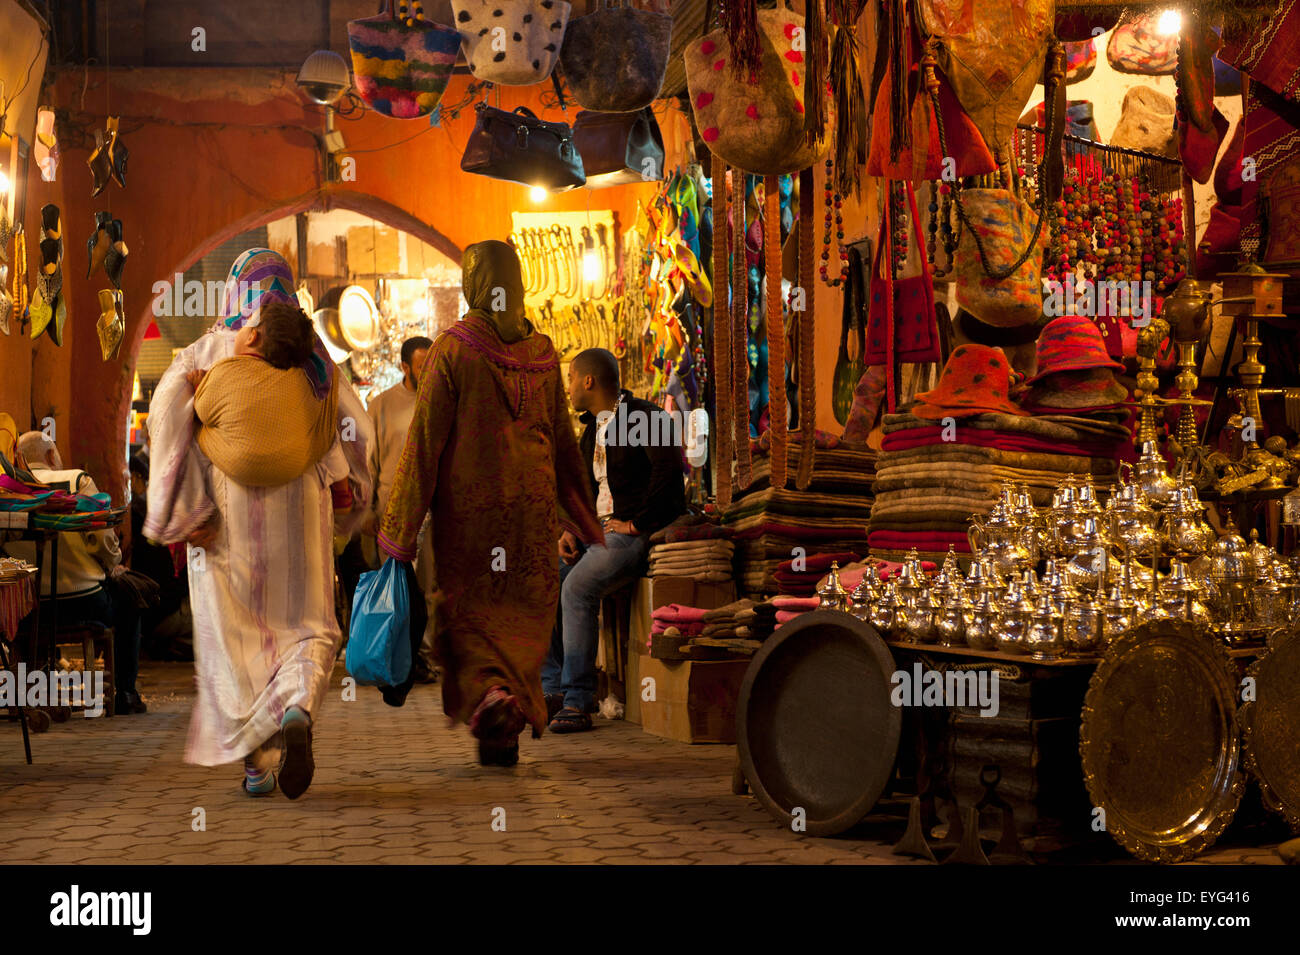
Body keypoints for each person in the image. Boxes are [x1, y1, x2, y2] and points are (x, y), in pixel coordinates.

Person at [145, 248, 372, 799]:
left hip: (226, 522)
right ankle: (296, 706)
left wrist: (181, 511)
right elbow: (356, 433)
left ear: (233, 291)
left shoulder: (205, 350)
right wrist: (350, 496)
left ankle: (256, 763)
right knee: (308, 627)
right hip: (302, 510)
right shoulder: (314, 355)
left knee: (235, 643)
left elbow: (167, 423)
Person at [379, 239, 602, 767]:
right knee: (521, 617)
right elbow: (564, 444)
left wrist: (399, 534)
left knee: (471, 616)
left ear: (474, 284)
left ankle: (492, 701)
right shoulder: (545, 355)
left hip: (472, 517)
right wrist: (578, 513)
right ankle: (504, 723)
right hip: (530, 519)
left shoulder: (453, 350)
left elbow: (424, 444)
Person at [543, 348, 687, 733]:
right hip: (597, 536)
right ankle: (551, 690)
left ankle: (577, 700)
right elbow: (583, 492)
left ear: (589, 380)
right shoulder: (592, 429)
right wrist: (571, 530)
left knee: (576, 589)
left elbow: (671, 475)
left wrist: (636, 524)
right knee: (541, 577)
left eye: (571, 378)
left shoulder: (646, 416)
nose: (568, 387)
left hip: (628, 539)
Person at [3, 431, 146, 714]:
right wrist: (112, 564)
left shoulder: (11, 491)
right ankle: (125, 693)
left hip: (28, 607)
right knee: (131, 601)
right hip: (83, 600)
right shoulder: (76, 480)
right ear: (51, 456)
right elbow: (103, 536)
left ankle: (32, 691)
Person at [366, 335, 437, 683]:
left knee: (427, 589)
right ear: (405, 367)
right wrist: (368, 510)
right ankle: (396, 663)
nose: (427, 372)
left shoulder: (440, 403)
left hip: (432, 514)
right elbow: (369, 463)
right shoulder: (381, 406)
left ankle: (422, 659)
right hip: (392, 514)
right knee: (397, 590)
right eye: (421, 366)